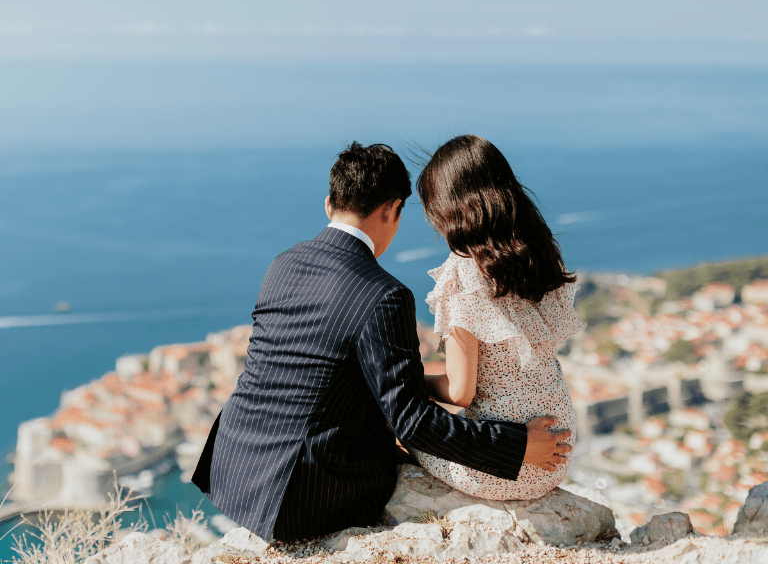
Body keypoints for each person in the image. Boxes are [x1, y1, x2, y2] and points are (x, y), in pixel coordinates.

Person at [192, 142, 572, 541]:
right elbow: (413, 421)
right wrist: (516, 447)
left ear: (328, 205)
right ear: (392, 210)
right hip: (298, 497)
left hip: (232, 464)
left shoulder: (283, 263)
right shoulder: (383, 294)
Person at [411, 134, 585, 500]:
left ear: (450, 209)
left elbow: (460, 392)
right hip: (557, 448)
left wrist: (411, 378)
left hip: (504, 459)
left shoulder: (463, 276)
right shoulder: (535, 252)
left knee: (402, 431)